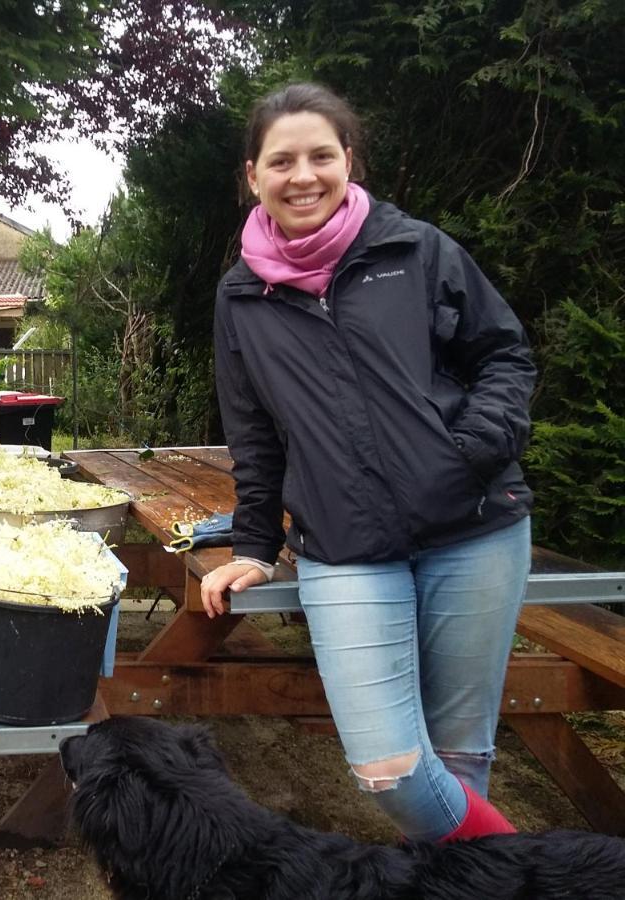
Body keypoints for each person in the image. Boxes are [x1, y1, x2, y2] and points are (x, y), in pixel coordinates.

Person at [204, 83, 534, 844]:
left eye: (322, 155)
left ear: (349, 160)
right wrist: (255, 546)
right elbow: (253, 435)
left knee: (457, 757)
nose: (304, 175)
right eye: (281, 160)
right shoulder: (240, 297)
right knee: (390, 768)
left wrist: (469, 451)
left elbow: (504, 356)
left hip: (474, 532)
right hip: (345, 548)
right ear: (253, 175)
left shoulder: (415, 250)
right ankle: (531, 872)